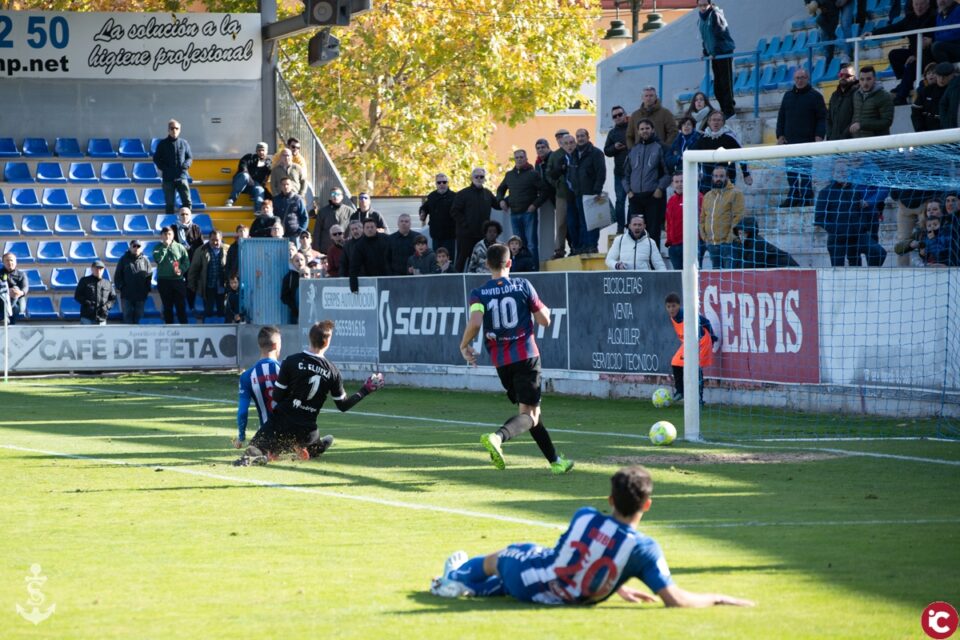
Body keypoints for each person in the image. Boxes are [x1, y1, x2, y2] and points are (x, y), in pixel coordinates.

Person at [430, 465, 755, 608]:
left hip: (533, 584)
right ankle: (468, 589)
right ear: (648, 504)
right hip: (568, 598)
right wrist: (717, 597)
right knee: (530, 556)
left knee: (505, 555)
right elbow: (676, 600)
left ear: (611, 501)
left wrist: (615, 582)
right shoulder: (644, 550)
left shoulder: (585, 515)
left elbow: (569, 559)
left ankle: (453, 577)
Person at [460, 243, 573, 475]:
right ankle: (497, 437)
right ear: (509, 262)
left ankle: (555, 462)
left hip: (502, 363)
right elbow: (543, 320)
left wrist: (464, 345)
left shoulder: (478, 293)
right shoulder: (522, 285)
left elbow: (475, 323)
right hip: (526, 356)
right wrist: (547, 315)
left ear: (487, 264)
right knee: (529, 415)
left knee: (532, 413)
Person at [234, 320, 384, 466]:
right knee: (315, 441)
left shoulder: (291, 361)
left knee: (254, 449)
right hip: (307, 428)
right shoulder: (333, 372)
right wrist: (365, 390)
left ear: (310, 338)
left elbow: (277, 397)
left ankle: (268, 452)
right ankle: (310, 448)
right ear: (327, 343)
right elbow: (343, 406)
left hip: (282, 422)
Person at [815, 160, 888, 266]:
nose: (842, 174)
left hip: (857, 236)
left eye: (845, 171)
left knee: (879, 252)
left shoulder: (854, 190)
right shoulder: (825, 193)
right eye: (839, 171)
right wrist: (838, 230)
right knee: (838, 271)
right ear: (833, 173)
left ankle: (871, 275)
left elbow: (861, 212)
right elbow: (819, 218)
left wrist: (860, 227)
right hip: (837, 239)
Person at [864, 0, 937, 104]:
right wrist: (873, 33)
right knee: (894, 55)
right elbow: (894, 28)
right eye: (916, 4)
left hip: (928, 55)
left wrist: (916, 55)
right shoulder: (910, 18)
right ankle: (905, 83)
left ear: (928, 4)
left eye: (921, 4)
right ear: (912, 4)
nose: (919, 7)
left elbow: (934, 40)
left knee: (912, 65)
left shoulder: (934, 17)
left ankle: (901, 97)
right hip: (913, 53)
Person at [776, 67, 826, 208]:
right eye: (797, 78)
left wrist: (819, 135)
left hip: (807, 141)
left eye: (802, 77)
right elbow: (781, 117)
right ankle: (793, 196)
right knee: (791, 172)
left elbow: (822, 118)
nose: (799, 80)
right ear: (794, 79)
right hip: (789, 142)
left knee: (805, 172)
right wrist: (780, 135)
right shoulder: (787, 96)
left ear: (807, 79)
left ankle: (806, 197)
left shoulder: (815, 96)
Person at [622, 118, 672, 250]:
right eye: (642, 129)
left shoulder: (660, 147)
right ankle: (636, 257)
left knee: (653, 230)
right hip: (635, 197)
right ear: (638, 131)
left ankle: (653, 258)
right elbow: (625, 174)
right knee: (634, 230)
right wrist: (629, 191)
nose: (644, 131)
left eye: (647, 128)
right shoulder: (633, 150)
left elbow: (668, 173)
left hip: (653, 196)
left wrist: (660, 188)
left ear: (653, 130)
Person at [234, 325, 282, 449]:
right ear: (276, 345)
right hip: (289, 434)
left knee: (258, 447)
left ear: (259, 346)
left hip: (266, 436)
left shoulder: (247, 376)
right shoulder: (285, 370)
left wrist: (241, 437)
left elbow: (242, 412)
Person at [665, 292, 718, 403]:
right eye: (668, 307)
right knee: (675, 362)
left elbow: (705, 321)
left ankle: (699, 399)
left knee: (695, 368)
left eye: (673, 306)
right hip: (688, 343)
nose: (671, 309)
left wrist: (712, 336)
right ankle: (680, 391)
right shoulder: (673, 318)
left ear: (679, 305)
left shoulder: (687, 314)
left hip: (701, 341)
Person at [496, 149, 545, 269]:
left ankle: (533, 269)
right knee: (516, 245)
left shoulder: (533, 174)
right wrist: (501, 200)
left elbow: (544, 191)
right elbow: (500, 190)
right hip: (514, 213)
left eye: (521, 157)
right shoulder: (509, 175)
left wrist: (535, 205)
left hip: (528, 213)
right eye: (516, 157)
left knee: (531, 244)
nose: (519, 159)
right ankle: (518, 270)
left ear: (526, 158)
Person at [451, 168, 499, 272]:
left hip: (481, 235)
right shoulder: (463, 194)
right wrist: (465, 224)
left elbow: (498, 205)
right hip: (465, 235)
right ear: (472, 178)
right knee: (461, 260)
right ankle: (457, 283)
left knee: (480, 260)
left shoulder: (487, 194)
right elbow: (454, 211)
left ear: (484, 179)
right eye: (476, 176)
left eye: (481, 176)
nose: (479, 178)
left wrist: (509, 200)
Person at [693, 111, 752, 193]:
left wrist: (746, 174)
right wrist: (697, 173)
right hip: (707, 181)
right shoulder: (702, 139)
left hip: (727, 180)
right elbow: (693, 157)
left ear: (723, 123)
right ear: (709, 122)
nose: (715, 122)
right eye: (713, 120)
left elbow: (742, 156)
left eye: (718, 120)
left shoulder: (729, 138)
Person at [698, 0, 737, 120]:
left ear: (710, 4)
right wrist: (705, 52)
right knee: (717, 86)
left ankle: (730, 110)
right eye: (700, 5)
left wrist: (714, 52)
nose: (703, 7)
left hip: (723, 52)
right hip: (714, 54)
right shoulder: (701, 19)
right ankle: (724, 109)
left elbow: (719, 34)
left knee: (725, 82)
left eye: (705, 5)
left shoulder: (715, 15)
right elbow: (705, 38)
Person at [699, 165, 744, 269]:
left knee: (730, 278)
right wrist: (705, 237)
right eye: (715, 176)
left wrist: (729, 239)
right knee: (716, 279)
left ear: (727, 177)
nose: (718, 178)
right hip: (712, 244)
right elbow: (702, 218)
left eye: (721, 176)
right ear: (712, 177)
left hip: (729, 245)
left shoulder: (736, 194)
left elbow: (738, 217)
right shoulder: (708, 196)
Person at [573, 129, 606, 254]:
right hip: (578, 194)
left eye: (582, 136)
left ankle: (592, 245)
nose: (580, 138)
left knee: (593, 221)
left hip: (592, 193)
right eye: (578, 136)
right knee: (582, 222)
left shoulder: (596, 153)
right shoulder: (574, 153)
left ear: (588, 137)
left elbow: (601, 173)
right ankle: (584, 246)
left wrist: (597, 190)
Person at [152, 119, 192, 214]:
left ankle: (187, 224)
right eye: (172, 128)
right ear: (168, 130)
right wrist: (164, 168)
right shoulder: (162, 144)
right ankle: (171, 226)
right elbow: (156, 158)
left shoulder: (184, 143)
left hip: (182, 177)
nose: (174, 130)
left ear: (180, 130)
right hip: (168, 179)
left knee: (187, 201)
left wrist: (185, 166)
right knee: (170, 204)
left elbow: (189, 157)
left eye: (177, 128)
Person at [664, 173, 704, 270]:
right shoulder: (671, 200)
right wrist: (669, 242)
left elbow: (704, 219)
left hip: (691, 246)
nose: (679, 184)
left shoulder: (697, 197)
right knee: (679, 280)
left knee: (694, 278)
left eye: (682, 181)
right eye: (676, 182)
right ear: (672, 184)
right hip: (674, 247)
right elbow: (668, 222)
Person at [187, 230, 227, 322]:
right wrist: (192, 285)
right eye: (212, 240)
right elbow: (194, 269)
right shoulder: (200, 250)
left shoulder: (227, 250)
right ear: (209, 239)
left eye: (217, 240)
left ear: (221, 239)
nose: (215, 242)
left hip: (222, 286)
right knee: (208, 311)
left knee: (222, 311)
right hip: (208, 286)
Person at [153, 225, 190, 324]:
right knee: (167, 307)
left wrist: (181, 270)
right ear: (161, 236)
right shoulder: (157, 247)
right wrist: (165, 247)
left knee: (181, 306)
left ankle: (184, 329)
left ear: (173, 235)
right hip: (164, 281)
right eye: (165, 234)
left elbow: (186, 262)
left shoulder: (180, 247)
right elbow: (158, 259)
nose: (167, 236)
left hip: (178, 281)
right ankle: (169, 329)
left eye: (169, 234)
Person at [546, 128, 573, 259]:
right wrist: (556, 183)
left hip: (576, 193)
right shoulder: (555, 155)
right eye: (558, 137)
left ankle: (576, 246)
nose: (560, 139)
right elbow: (548, 172)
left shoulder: (576, 151)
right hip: (561, 194)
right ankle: (559, 250)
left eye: (562, 136)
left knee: (576, 221)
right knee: (561, 222)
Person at [730, 217, 799, 268]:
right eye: (739, 233)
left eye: (744, 233)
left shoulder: (758, 243)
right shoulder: (744, 245)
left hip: (787, 267)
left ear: (750, 233)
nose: (741, 236)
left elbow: (750, 266)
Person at [603, 106, 630, 234]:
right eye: (615, 116)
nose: (618, 117)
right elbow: (607, 151)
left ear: (625, 114)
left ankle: (631, 226)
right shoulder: (612, 133)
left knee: (633, 201)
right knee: (620, 201)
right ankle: (620, 228)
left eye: (620, 114)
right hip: (619, 172)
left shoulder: (633, 128)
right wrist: (615, 147)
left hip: (634, 172)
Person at [113, 239, 152, 324]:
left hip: (141, 295)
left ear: (141, 248)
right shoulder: (123, 259)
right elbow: (117, 276)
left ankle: (139, 337)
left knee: (140, 318)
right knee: (127, 317)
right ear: (130, 247)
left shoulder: (145, 260)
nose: (136, 248)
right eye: (134, 246)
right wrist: (122, 288)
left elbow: (149, 276)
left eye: (138, 246)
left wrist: (146, 289)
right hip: (127, 295)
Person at [850, 66, 895, 137]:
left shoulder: (884, 96)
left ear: (874, 79)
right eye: (862, 79)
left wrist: (862, 125)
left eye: (868, 79)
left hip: (877, 142)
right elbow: (855, 117)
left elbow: (886, 122)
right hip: (858, 141)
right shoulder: (856, 95)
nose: (865, 83)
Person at [419, 173, 457, 259]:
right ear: (436, 184)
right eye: (439, 182)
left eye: (444, 182)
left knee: (449, 258)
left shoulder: (454, 196)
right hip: (436, 235)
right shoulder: (432, 196)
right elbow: (424, 207)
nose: (442, 184)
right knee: (437, 259)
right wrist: (422, 213)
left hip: (450, 235)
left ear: (447, 183)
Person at [226, 142, 271, 212]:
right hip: (241, 182)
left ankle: (258, 212)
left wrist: (268, 167)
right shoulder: (249, 157)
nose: (261, 152)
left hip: (253, 186)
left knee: (260, 189)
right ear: (256, 151)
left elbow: (271, 174)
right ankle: (231, 199)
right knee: (245, 176)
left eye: (263, 150)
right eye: (259, 150)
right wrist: (250, 179)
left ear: (266, 151)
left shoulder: (268, 163)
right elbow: (242, 167)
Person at [349, 219, 391, 293]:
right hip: (369, 280)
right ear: (363, 229)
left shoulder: (386, 239)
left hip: (388, 277)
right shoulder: (359, 245)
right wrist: (354, 287)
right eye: (367, 227)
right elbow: (354, 266)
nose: (370, 229)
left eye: (372, 227)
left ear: (376, 228)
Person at [311, 187, 355, 254]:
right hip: (326, 249)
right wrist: (316, 250)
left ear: (342, 196)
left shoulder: (350, 211)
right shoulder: (323, 212)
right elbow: (317, 231)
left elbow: (353, 230)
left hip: (345, 249)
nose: (335, 196)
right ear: (330, 197)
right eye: (333, 194)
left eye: (338, 194)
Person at [74, 260, 116, 326]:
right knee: (86, 336)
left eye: (100, 268)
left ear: (103, 270)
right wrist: (86, 302)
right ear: (92, 269)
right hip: (87, 317)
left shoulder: (108, 283)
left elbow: (113, 298)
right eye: (96, 268)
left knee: (101, 336)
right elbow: (77, 296)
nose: (98, 270)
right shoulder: (84, 281)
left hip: (102, 317)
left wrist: (106, 307)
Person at [826, 63, 859, 140]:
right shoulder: (834, 95)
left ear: (853, 78)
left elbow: (857, 117)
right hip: (833, 141)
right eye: (841, 75)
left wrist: (845, 135)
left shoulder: (857, 94)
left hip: (849, 141)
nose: (843, 77)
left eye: (847, 76)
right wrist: (830, 134)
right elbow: (828, 118)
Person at [281, 253, 309, 324]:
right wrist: (294, 307)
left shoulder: (311, 273)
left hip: (310, 312)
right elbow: (284, 296)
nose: (300, 262)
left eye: (302, 260)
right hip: (296, 314)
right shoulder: (289, 277)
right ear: (292, 263)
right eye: (297, 260)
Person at [0, 252, 28, 324]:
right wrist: (6, 292)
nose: (10, 262)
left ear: (15, 262)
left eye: (12, 260)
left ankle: (4, 317)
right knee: (14, 307)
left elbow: (25, 288)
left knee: (15, 289)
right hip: (2, 299)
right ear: (3, 262)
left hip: (18, 299)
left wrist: (20, 293)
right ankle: (6, 318)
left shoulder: (21, 274)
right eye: (7, 260)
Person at [931, 0, 960, 64]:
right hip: (948, 46)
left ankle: (947, 71)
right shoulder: (939, 15)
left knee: (937, 46)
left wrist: (936, 38)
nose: (941, 1)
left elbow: (956, 34)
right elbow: (937, 33)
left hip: (957, 45)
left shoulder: (958, 10)